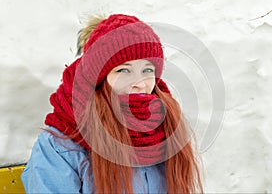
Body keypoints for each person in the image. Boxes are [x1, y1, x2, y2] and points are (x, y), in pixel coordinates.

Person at [21, 13, 203, 193]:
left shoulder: (165, 131)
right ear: (98, 78)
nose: (139, 84)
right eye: (124, 70)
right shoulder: (60, 145)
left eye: (147, 70)